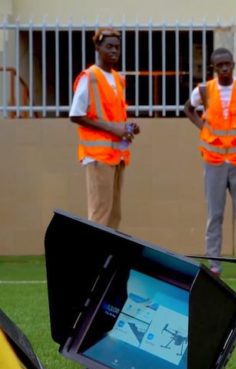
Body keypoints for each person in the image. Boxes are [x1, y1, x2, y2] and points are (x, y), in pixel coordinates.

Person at [183, 47, 236, 278]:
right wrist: (202, 128)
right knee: (215, 215)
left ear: (233, 64)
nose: (224, 69)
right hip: (214, 160)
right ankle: (214, 265)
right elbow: (188, 109)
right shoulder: (204, 90)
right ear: (213, 68)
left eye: (227, 64)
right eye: (219, 65)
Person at [70, 27, 140, 229]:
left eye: (117, 47)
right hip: (97, 155)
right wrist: (114, 129)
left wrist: (127, 127)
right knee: (100, 214)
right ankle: (94, 260)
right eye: (109, 46)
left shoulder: (118, 79)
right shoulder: (90, 77)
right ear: (97, 47)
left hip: (117, 155)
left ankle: (108, 259)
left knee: (114, 215)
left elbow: (111, 114)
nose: (114, 51)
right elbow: (76, 114)